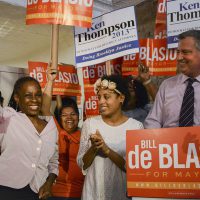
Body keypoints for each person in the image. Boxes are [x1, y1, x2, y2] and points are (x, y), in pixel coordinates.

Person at [77, 75, 143, 200]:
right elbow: (82, 164)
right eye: (99, 97)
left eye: (106, 97)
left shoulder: (135, 127)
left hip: (121, 195)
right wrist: (94, 148)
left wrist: (106, 150)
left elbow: (134, 169)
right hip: (93, 194)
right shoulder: (90, 124)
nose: (101, 101)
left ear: (121, 98)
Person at [0, 76, 58, 200]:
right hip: (6, 190)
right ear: (17, 98)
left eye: (38, 95)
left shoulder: (51, 127)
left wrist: (48, 184)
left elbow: (53, 162)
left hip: (37, 192)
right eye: (28, 95)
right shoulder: (8, 118)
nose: (34, 100)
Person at [41, 68, 84, 200]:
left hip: (79, 194)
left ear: (79, 116)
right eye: (64, 115)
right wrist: (50, 81)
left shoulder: (86, 134)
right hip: (55, 193)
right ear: (60, 118)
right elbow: (44, 108)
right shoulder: (57, 131)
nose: (69, 118)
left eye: (72, 114)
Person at [144, 30, 200, 128]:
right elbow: (153, 121)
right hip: (167, 143)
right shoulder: (167, 85)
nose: (178, 57)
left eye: (185, 52)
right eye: (178, 52)